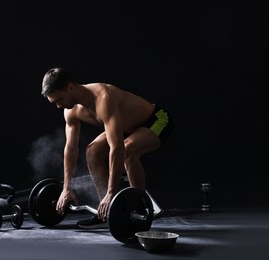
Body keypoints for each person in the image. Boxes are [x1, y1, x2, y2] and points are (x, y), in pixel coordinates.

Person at [41, 67, 173, 229]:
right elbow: (71, 149)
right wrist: (66, 188)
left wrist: (112, 192)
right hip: (126, 128)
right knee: (92, 151)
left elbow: (117, 147)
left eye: (59, 100)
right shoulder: (71, 111)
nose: (58, 106)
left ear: (70, 87)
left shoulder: (103, 97)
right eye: (54, 102)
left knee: (128, 150)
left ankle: (141, 209)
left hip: (156, 119)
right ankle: (106, 211)